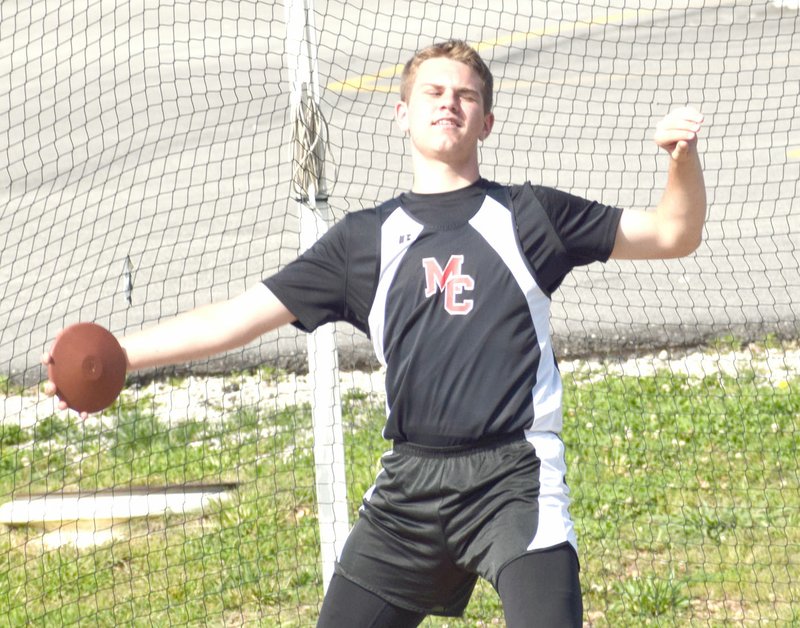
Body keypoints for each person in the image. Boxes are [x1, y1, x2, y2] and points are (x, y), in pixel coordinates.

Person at [44, 40, 706, 627]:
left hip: (514, 478)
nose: (450, 104)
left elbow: (675, 233)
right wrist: (126, 355)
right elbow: (235, 320)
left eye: (466, 97)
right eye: (434, 92)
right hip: (409, 487)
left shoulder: (531, 215)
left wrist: (681, 161)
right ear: (402, 113)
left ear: (487, 122)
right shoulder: (362, 242)